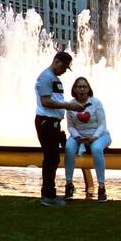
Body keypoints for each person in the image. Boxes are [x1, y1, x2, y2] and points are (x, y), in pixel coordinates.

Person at [35, 51, 85, 207]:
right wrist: (68, 105)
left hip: (52, 123)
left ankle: (49, 194)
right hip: (46, 123)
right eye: (63, 66)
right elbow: (46, 101)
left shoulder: (53, 78)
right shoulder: (46, 77)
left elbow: (54, 100)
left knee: (53, 158)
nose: (64, 70)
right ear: (56, 61)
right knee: (51, 159)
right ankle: (48, 196)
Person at [63, 76, 111, 201]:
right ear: (74, 89)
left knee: (96, 149)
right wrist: (77, 136)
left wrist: (94, 137)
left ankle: (101, 186)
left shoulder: (96, 102)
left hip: (100, 135)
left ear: (89, 89)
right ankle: (69, 184)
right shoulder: (71, 105)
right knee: (68, 148)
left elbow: (102, 124)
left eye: (85, 86)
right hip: (78, 136)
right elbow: (70, 126)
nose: (82, 89)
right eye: (79, 86)